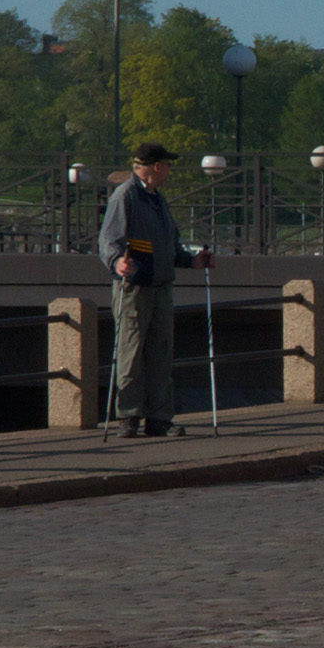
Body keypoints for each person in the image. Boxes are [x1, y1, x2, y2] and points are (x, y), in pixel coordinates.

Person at [96, 141, 213, 440]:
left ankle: (159, 417)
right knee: (131, 351)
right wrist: (116, 262)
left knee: (161, 353)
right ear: (157, 166)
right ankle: (129, 416)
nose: (169, 171)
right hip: (134, 286)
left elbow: (170, 246)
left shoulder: (158, 200)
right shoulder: (126, 196)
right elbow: (109, 240)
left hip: (161, 286)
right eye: (168, 165)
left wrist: (193, 261)